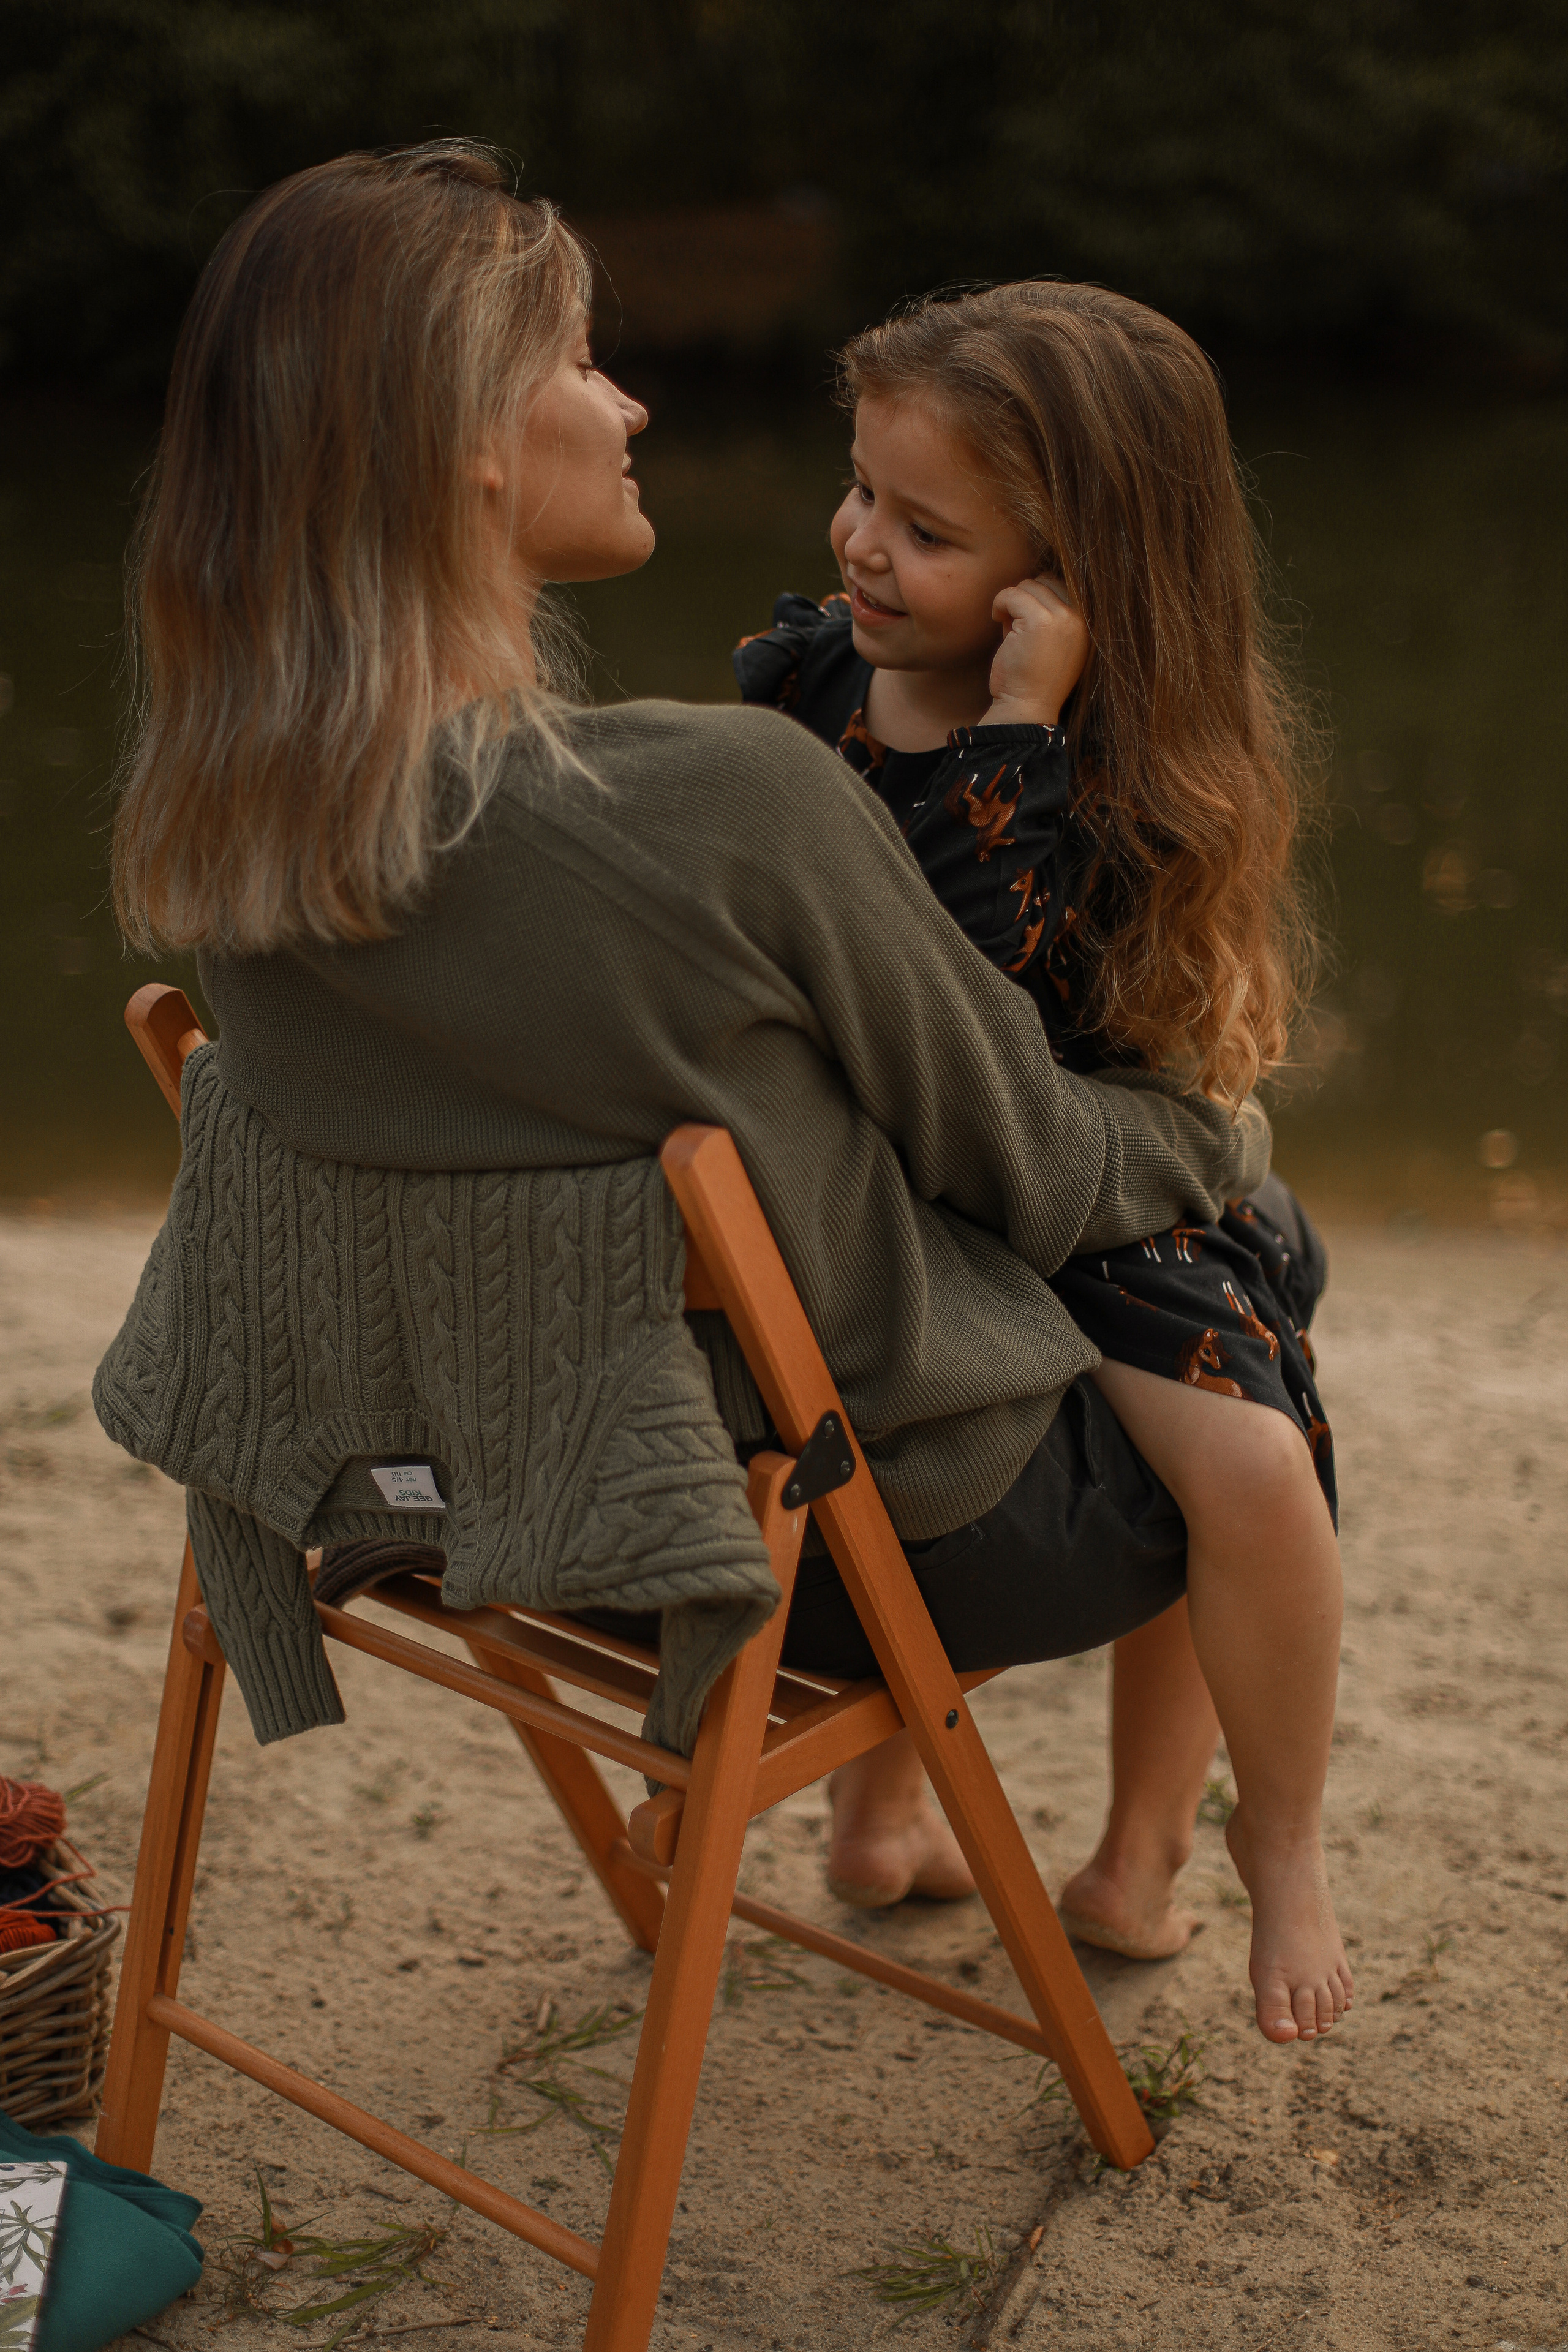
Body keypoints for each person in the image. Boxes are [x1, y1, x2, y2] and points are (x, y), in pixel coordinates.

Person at [107, 144, 1320, 2045]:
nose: (632, 399)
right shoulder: (726, 801)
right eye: (583, 359)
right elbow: (1042, 1163)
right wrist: (1223, 1138)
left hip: (443, 1497)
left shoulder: (227, 814)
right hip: (809, 1542)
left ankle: (1037, 1833)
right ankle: (1159, 1857)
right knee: (1258, 1256)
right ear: (471, 449)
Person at [733, 283, 1349, 2042]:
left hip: (1075, 1190)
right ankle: (882, 1807)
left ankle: (1267, 1848)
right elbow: (874, 993)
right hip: (883, 1187)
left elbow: (991, 1001)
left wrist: (1018, 718)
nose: (860, 543)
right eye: (861, 492)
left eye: (925, 529)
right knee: (1247, 1369)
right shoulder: (810, 684)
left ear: (1067, 575)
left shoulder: (1122, 759)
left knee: (1253, 1468)